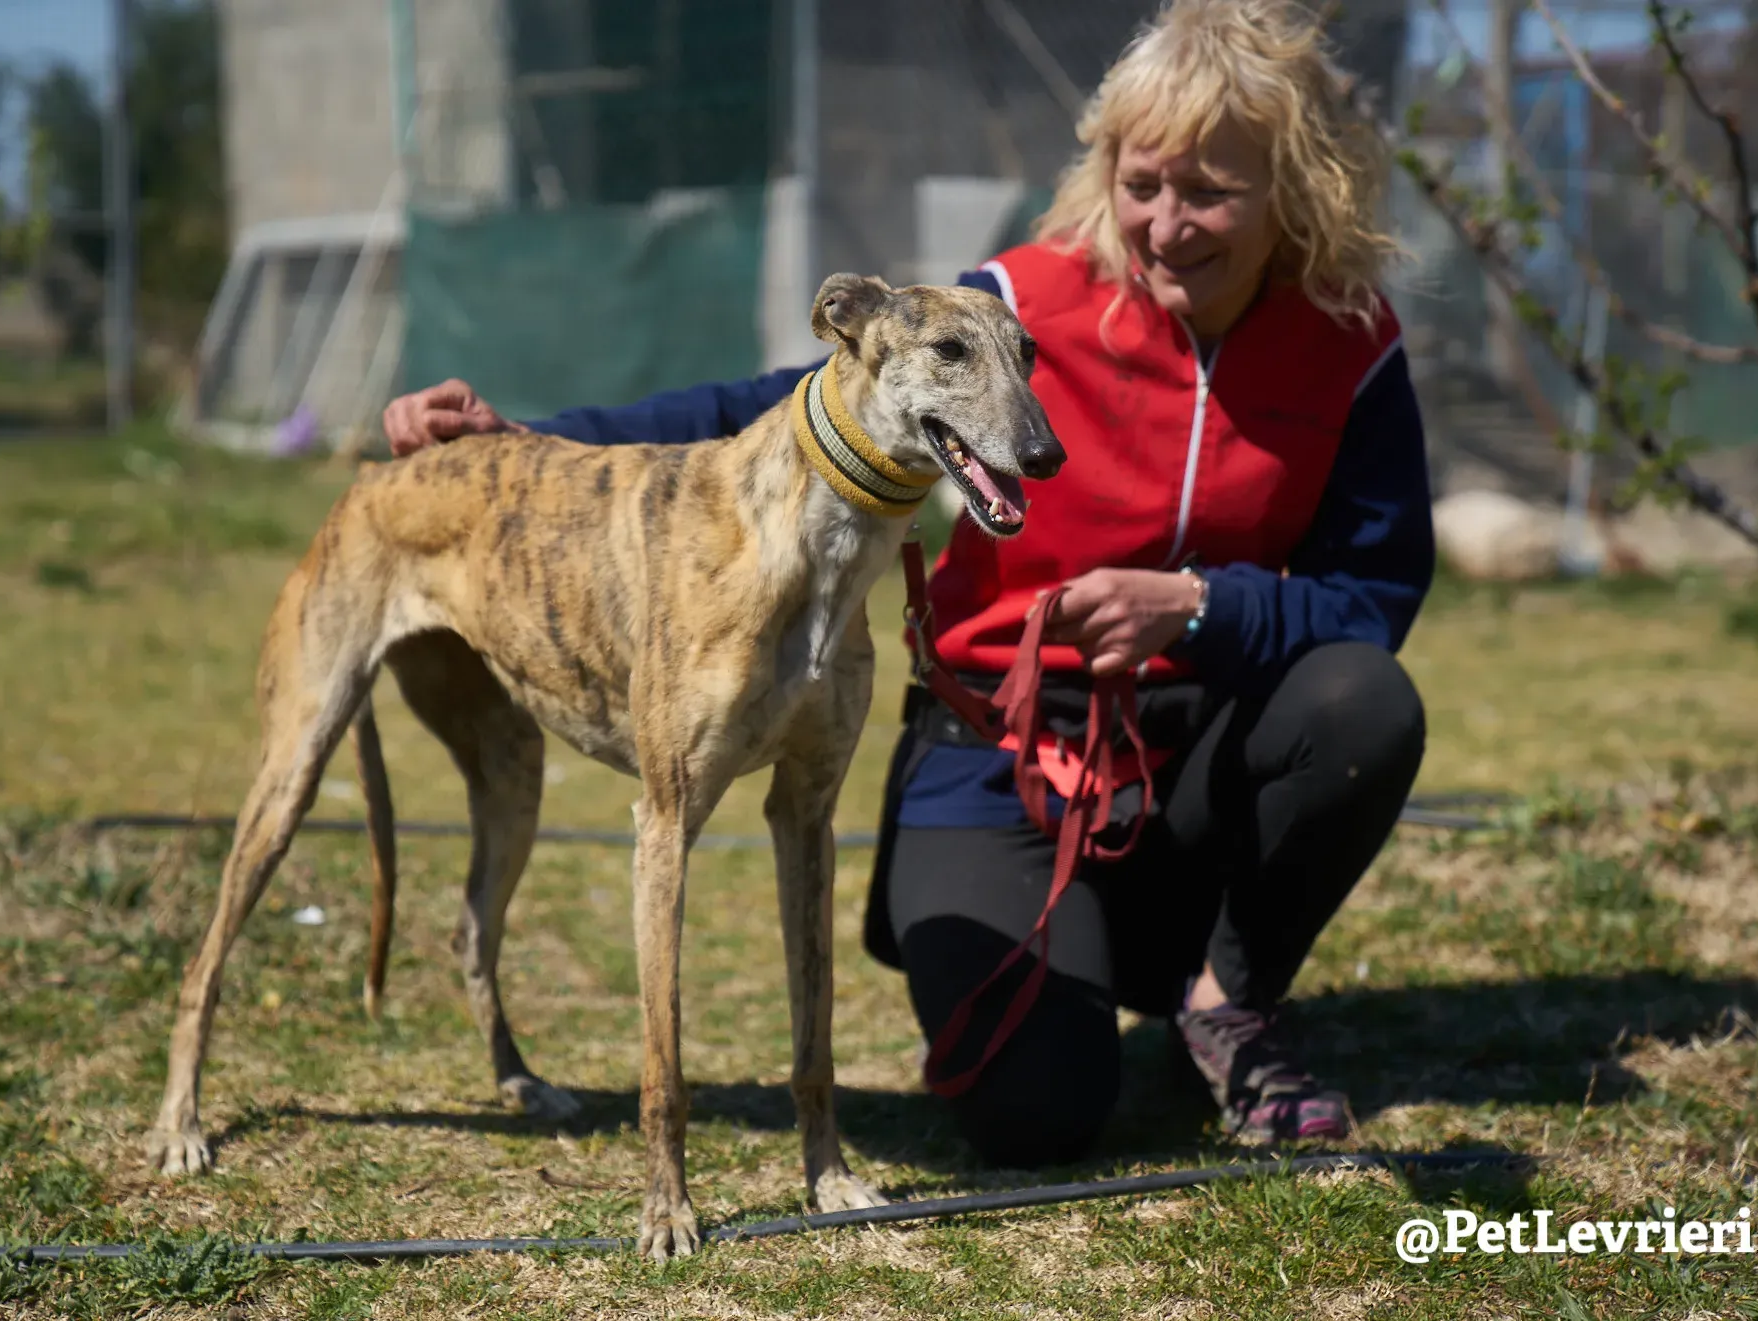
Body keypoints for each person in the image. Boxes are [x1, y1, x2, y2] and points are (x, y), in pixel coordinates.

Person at [383, 0, 1433, 1168]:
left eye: (1212, 193)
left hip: (1205, 752)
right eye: (1144, 184)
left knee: (1362, 704)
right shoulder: (1018, 304)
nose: (1168, 224)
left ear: (1295, 186)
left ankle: (1227, 998)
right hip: (997, 752)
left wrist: (1202, 605)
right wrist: (524, 433)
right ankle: (1071, 968)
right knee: (1038, 1116)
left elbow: (1376, 588)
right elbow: (780, 402)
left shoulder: (1352, 339)